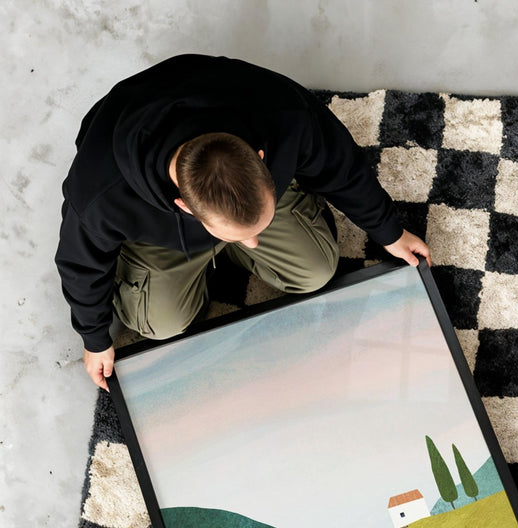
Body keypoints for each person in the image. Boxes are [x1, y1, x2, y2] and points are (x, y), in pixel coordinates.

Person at [55, 54, 432, 391]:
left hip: (237, 176)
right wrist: (94, 338)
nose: (253, 243)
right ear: (185, 207)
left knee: (316, 271)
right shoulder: (100, 195)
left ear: (262, 158)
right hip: (158, 237)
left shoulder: (284, 112)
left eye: (256, 230)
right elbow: (80, 265)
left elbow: (343, 167)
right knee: (161, 324)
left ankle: (249, 221)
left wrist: (389, 231)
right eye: (241, 237)